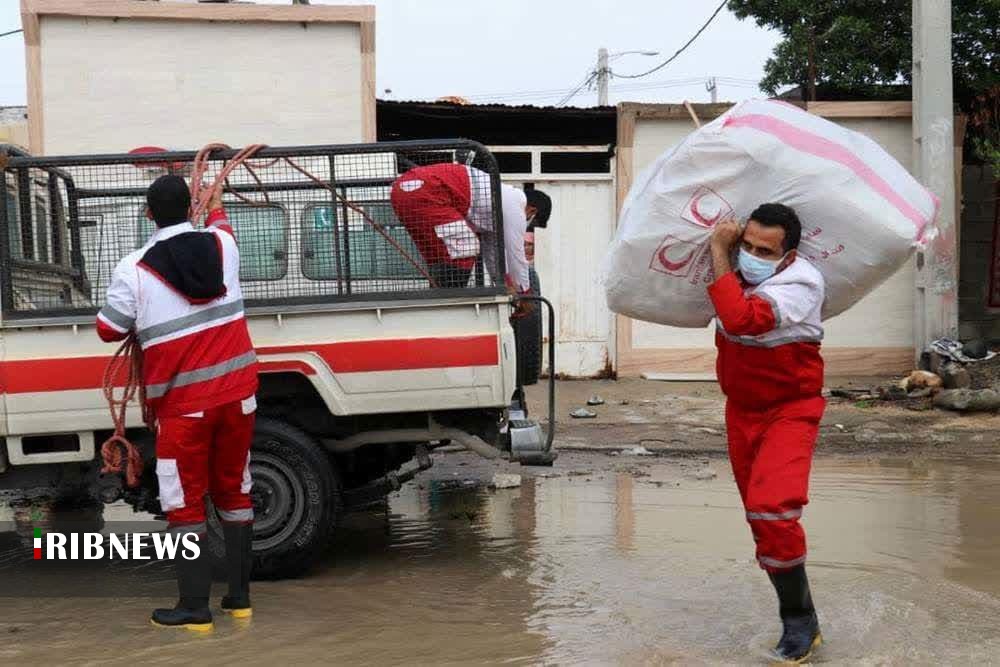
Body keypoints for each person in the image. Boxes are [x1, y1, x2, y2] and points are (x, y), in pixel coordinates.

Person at [96, 175, 257, 630]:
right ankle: (239, 600)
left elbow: (109, 329)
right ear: (192, 207)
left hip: (184, 409)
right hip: (238, 398)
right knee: (234, 489)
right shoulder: (225, 246)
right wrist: (216, 202)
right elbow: (221, 221)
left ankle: (194, 608)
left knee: (184, 502)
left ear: (148, 214)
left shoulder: (134, 268)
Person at [706, 203, 825, 663]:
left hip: (790, 410)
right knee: (761, 523)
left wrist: (719, 249)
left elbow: (741, 320)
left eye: (764, 249)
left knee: (772, 509)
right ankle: (800, 617)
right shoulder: (734, 275)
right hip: (741, 411)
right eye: (746, 245)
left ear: (788, 253)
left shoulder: (801, 283)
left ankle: (800, 623)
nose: (752, 254)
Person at [389, 162, 550, 304]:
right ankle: (450, 303)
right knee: (466, 247)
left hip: (401, 191)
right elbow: (516, 254)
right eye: (533, 222)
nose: (527, 225)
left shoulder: (493, 207)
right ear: (532, 210)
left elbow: (493, 257)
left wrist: (505, 285)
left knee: (441, 255)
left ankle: (439, 299)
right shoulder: (516, 205)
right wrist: (525, 293)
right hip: (427, 191)